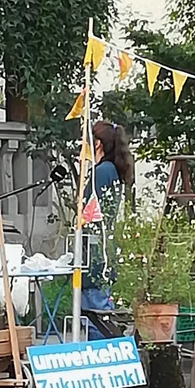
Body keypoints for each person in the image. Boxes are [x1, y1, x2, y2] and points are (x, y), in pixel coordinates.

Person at [81, 120, 134, 340]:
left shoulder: (101, 172)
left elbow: (87, 213)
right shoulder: (112, 170)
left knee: (94, 315)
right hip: (102, 247)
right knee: (95, 311)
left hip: (95, 250)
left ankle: (104, 354)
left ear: (98, 144)